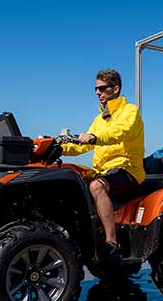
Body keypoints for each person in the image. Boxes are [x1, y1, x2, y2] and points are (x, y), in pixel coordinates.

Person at [59, 68, 145, 257]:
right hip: (105, 171)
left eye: (102, 88)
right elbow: (82, 146)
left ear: (115, 89)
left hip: (128, 169)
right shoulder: (100, 118)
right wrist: (57, 147)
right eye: (96, 89)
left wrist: (94, 137)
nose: (98, 93)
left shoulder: (130, 111)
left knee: (97, 187)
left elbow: (120, 132)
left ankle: (111, 242)